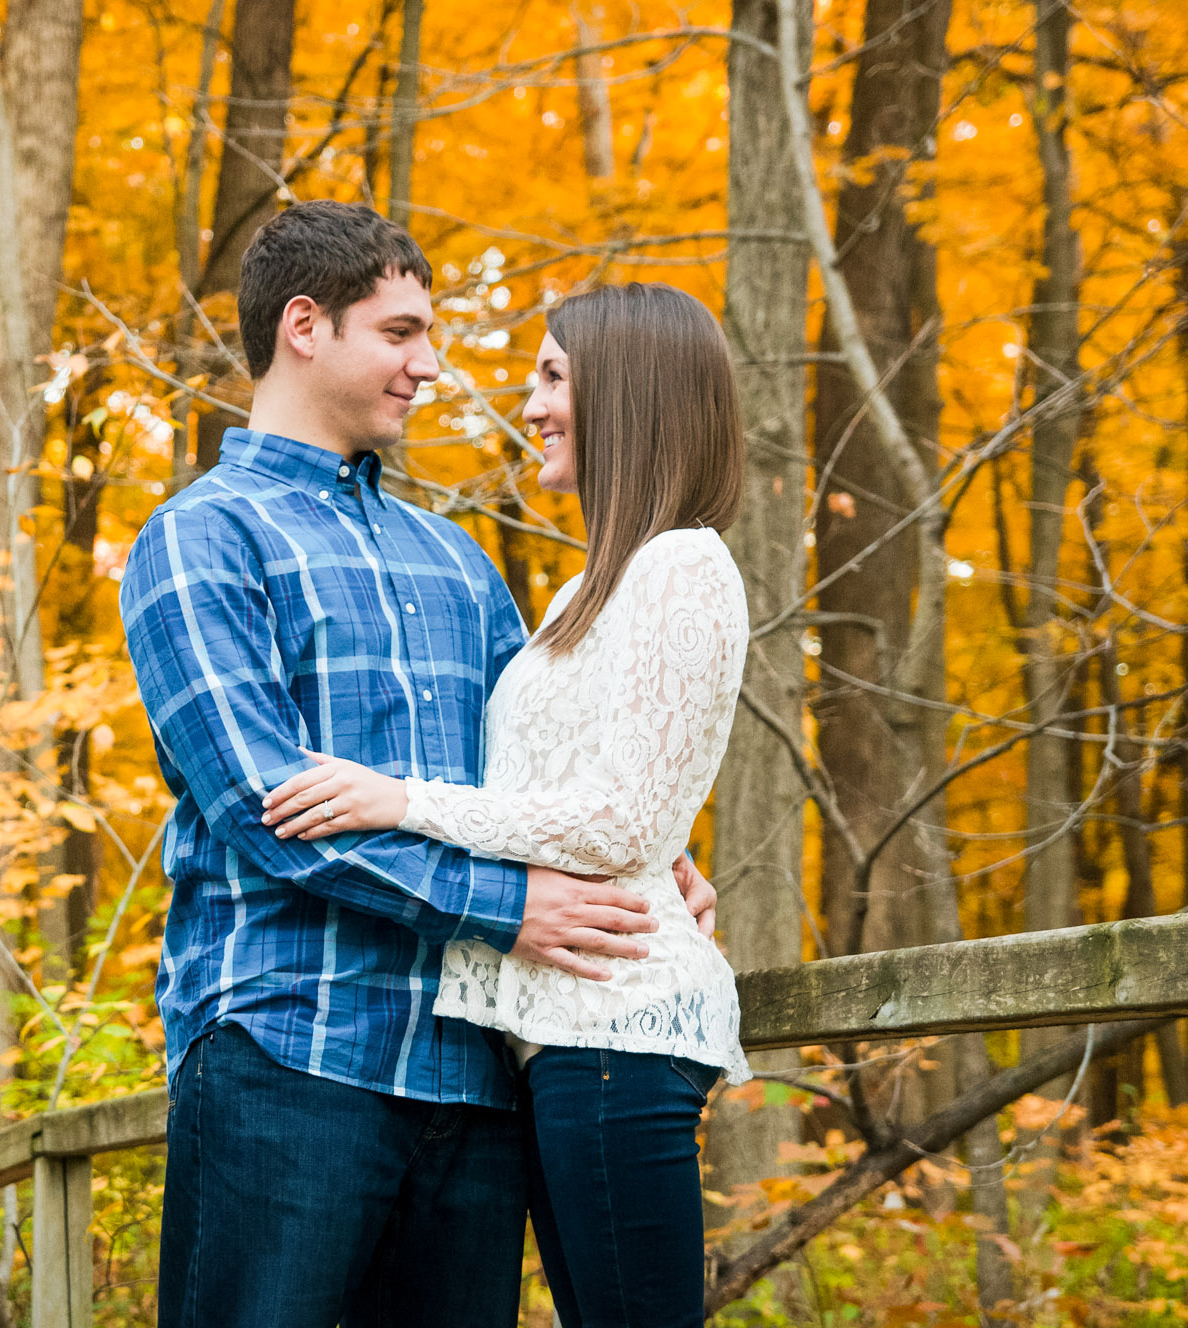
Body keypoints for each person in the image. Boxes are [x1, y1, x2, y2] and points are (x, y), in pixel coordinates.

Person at [118, 203, 717, 1328]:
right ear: (306, 325)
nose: (427, 366)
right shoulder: (201, 536)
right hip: (289, 1050)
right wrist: (511, 907)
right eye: (399, 333)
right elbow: (263, 807)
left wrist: (650, 863)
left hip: (471, 1077)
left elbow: (533, 773)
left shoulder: (455, 560)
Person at [263, 282, 751, 1327]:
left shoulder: (681, 563)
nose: (528, 405)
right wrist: (661, 846)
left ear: (628, 393)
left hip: (616, 1023)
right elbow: (592, 789)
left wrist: (398, 800)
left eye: (552, 377)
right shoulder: (586, 589)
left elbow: (619, 819)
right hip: (553, 1038)